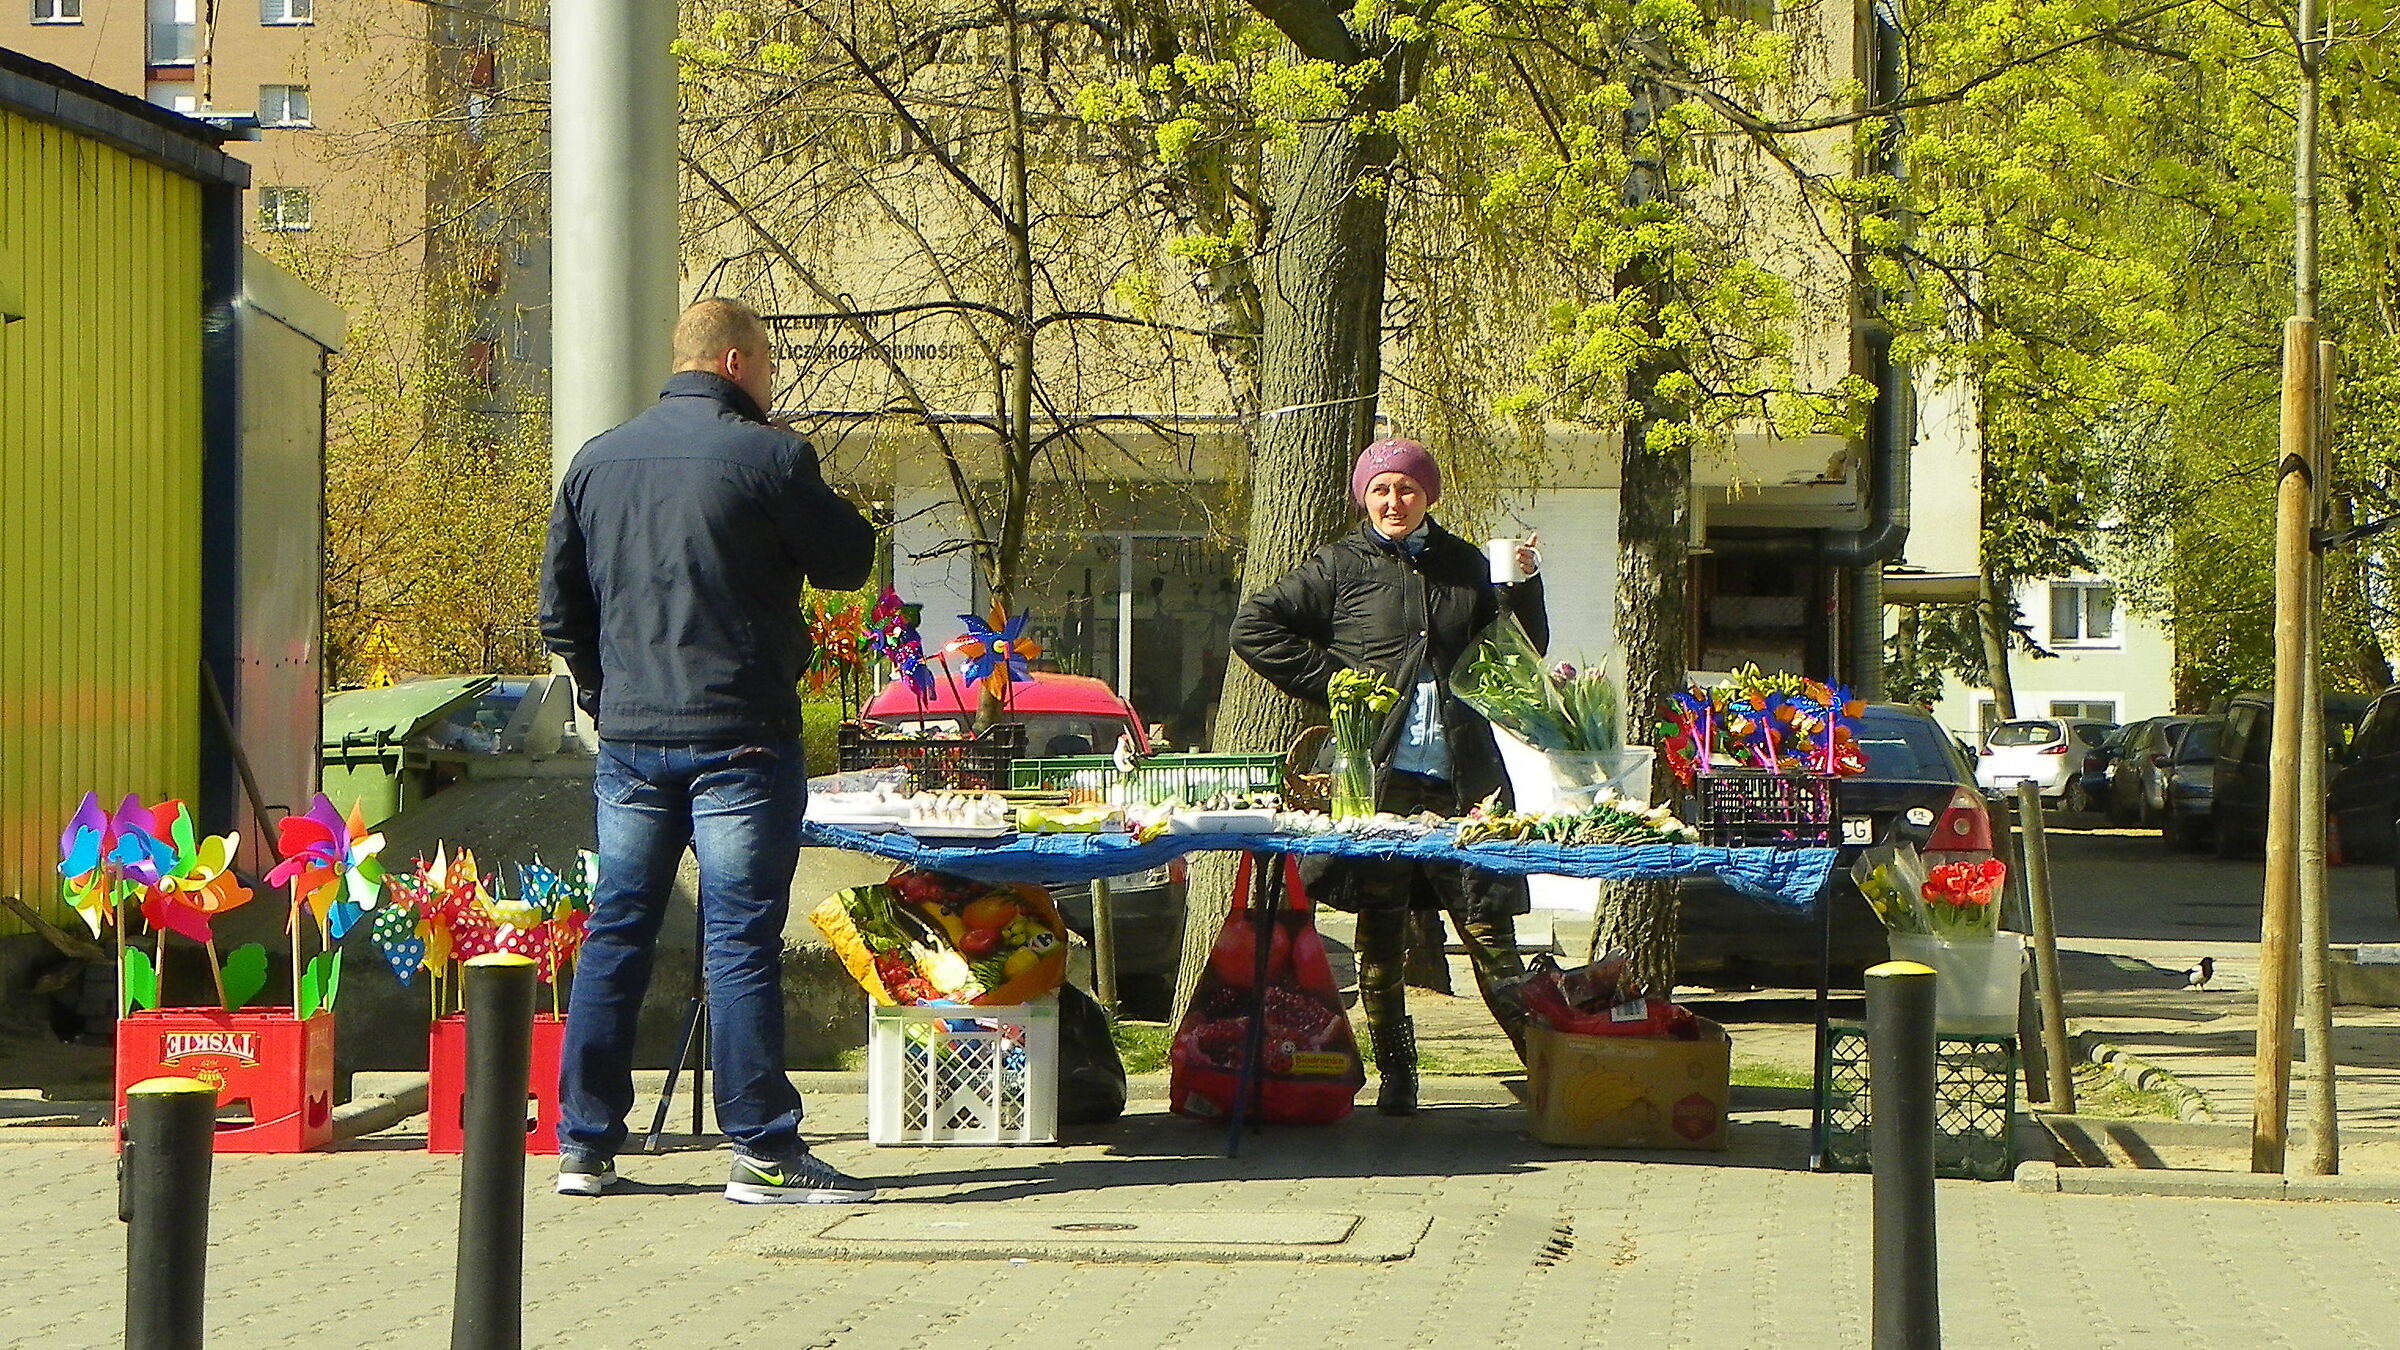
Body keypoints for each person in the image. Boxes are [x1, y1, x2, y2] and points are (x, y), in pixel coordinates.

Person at [540, 297, 879, 1203]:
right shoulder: (771, 455)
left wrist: (608, 701)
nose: (768, 382)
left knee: (618, 931)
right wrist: (791, 468)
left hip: (634, 743)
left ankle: (584, 1143)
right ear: (735, 362)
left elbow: (560, 612)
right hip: (742, 741)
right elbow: (850, 559)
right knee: (739, 941)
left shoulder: (596, 461)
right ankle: (762, 1149)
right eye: (765, 366)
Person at [1231, 438, 1548, 1114]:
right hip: (1376, 779)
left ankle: (1552, 1073)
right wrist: (1338, 686)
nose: (1394, 501)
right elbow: (1254, 627)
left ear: (1428, 494)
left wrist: (1523, 583)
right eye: (1380, 490)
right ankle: (1398, 1077)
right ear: (1363, 498)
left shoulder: (1467, 565)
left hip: (1464, 780)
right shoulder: (1339, 566)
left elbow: (1524, 653)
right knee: (1380, 930)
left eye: (1406, 488)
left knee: (1488, 927)